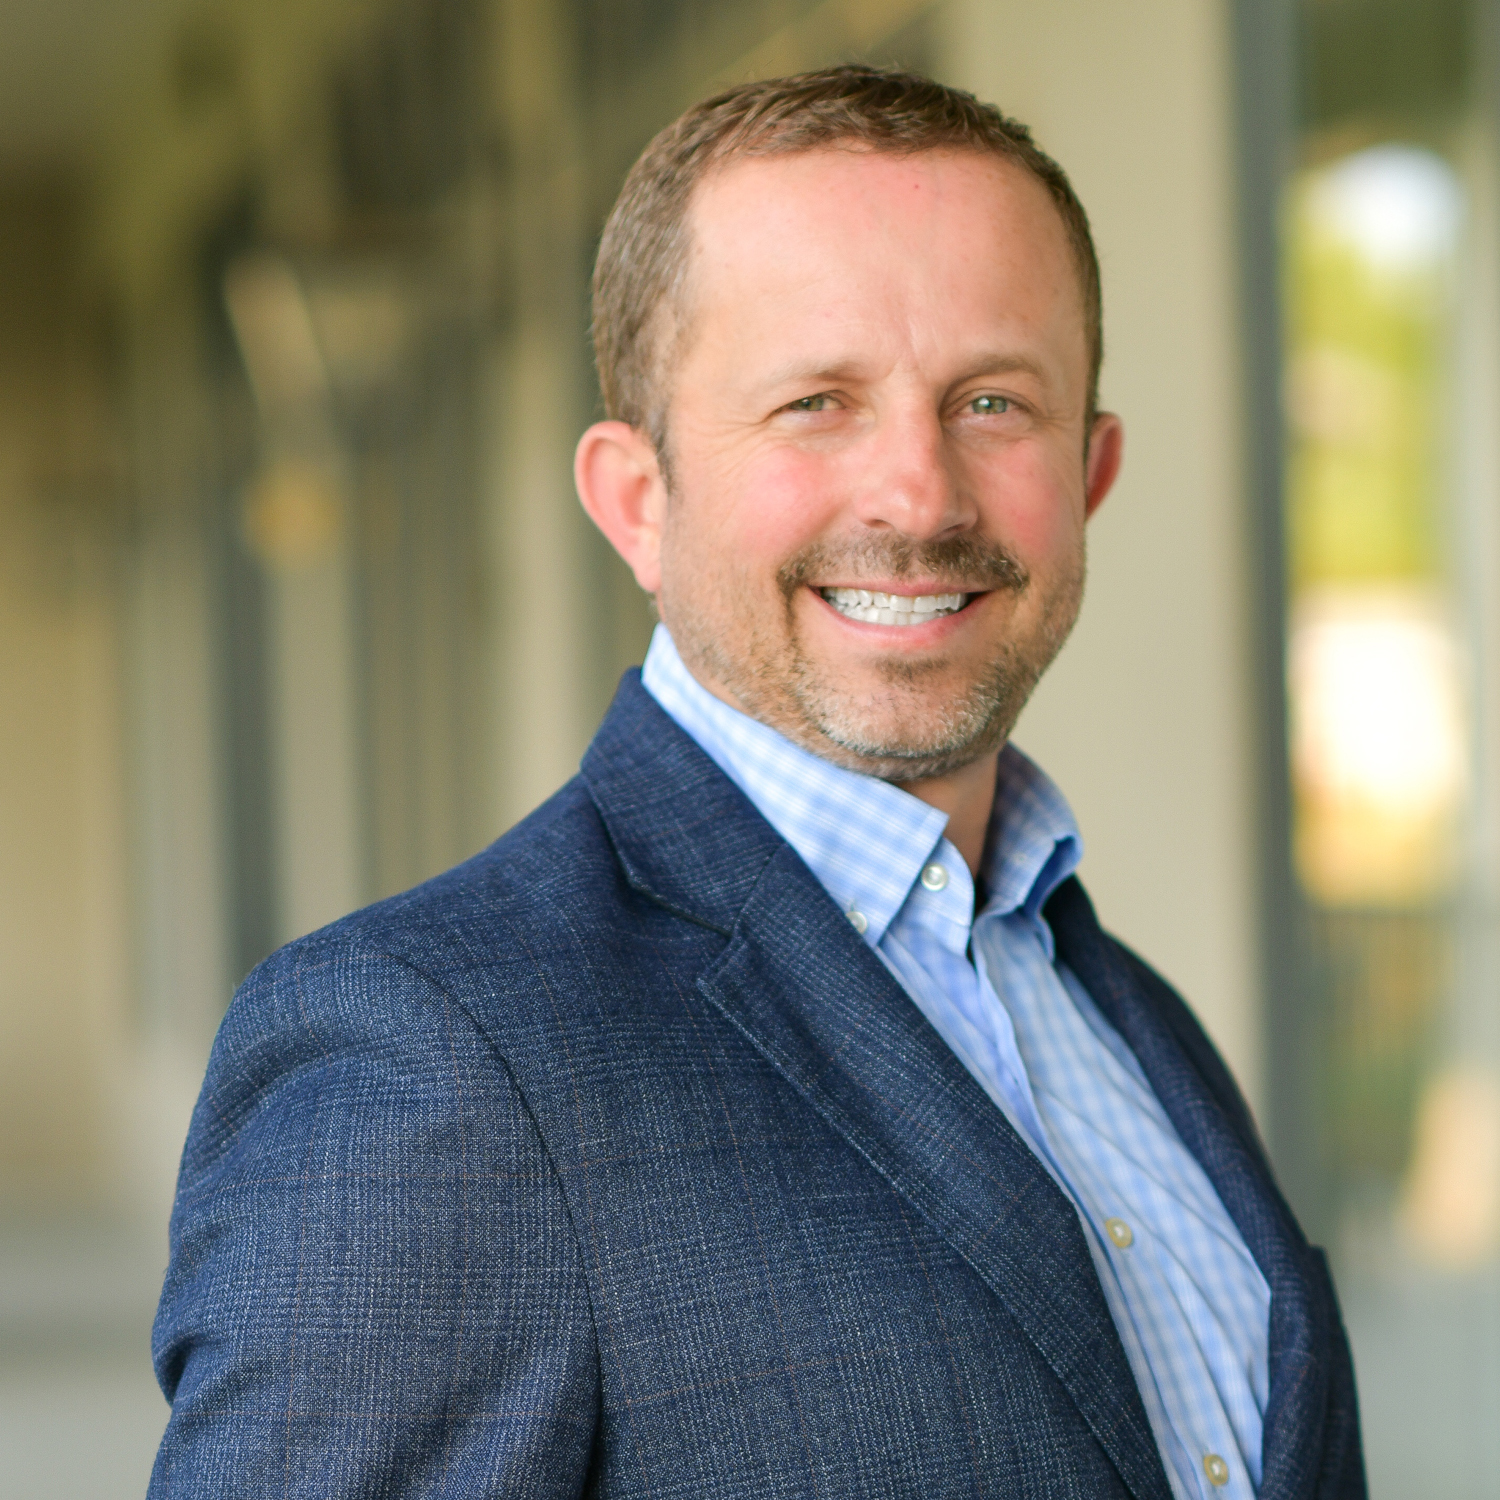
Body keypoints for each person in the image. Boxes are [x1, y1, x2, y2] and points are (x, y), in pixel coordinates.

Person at [150, 66, 1365, 1499]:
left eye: (991, 400)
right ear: (636, 503)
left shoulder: (1125, 1015)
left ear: (1090, 470)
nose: (919, 495)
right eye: (815, 402)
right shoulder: (435, 1065)